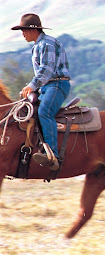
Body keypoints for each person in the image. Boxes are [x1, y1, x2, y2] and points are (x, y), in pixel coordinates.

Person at [12, 13, 71, 170]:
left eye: (24, 30)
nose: (22, 34)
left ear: (33, 30)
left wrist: (32, 85)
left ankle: (53, 156)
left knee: (44, 111)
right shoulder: (38, 45)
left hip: (57, 85)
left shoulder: (47, 44)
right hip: (47, 86)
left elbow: (46, 69)